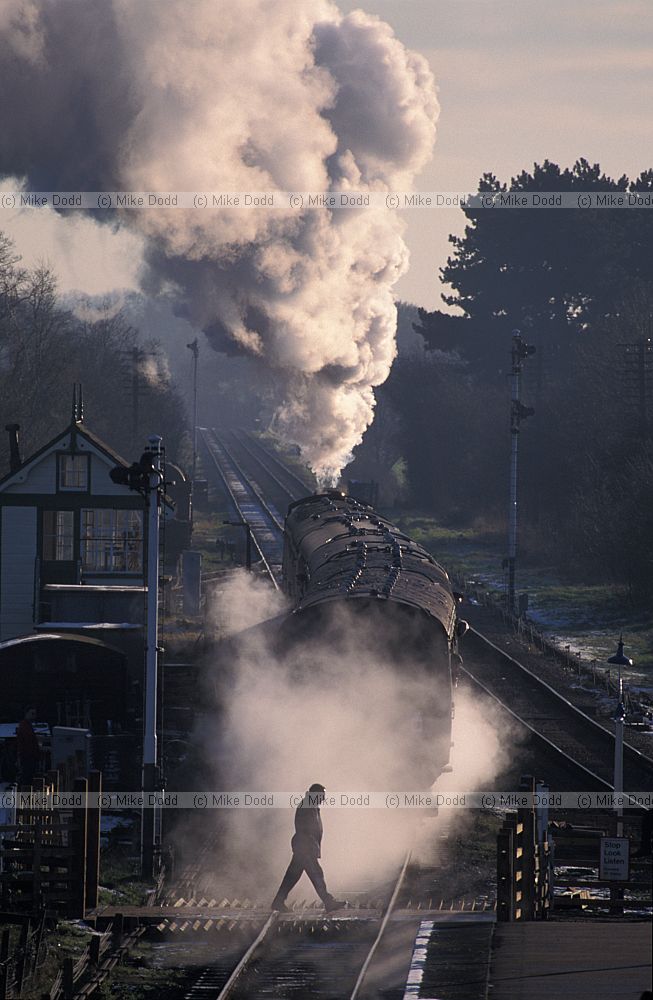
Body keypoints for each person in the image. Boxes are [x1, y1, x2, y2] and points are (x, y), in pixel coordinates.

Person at [271, 783, 345, 913]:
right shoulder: (308, 805)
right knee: (317, 874)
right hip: (305, 847)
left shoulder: (310, 805)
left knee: (292, 876)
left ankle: (278, 901)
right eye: (322, 795)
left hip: (305, 846)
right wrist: (309, 846)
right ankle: (328, 902)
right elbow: (305, 828)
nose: (324, 798)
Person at [16, 707, 41, 786]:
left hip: (30, 756)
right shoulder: (24, 725)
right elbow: (28, 741)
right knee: (27, 777)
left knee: (28, 777)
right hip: (27, 756)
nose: (34, 716)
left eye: (35, 714)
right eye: (32, 713)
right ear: (26, 713)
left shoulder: (27, 725)